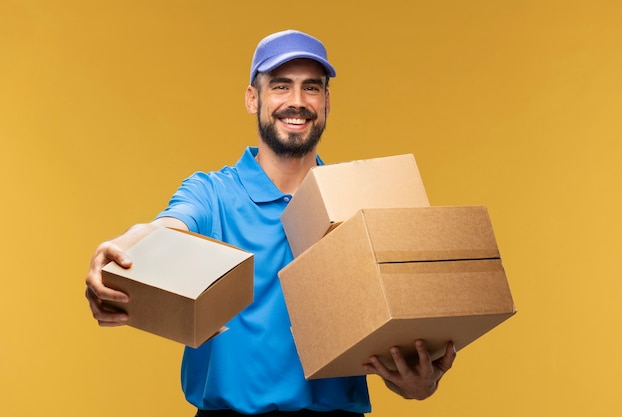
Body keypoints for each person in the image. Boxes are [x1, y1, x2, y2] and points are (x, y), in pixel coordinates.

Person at [85, 29, 456, 417]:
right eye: (281, 86)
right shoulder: (213, 193)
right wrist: (124, 246)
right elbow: (167, 227)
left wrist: (418, 381)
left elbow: (395, 330)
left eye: (311, 88)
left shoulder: (358, 205)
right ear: (253, 98)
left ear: (326, 102)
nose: (297, 102)